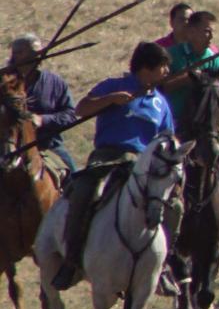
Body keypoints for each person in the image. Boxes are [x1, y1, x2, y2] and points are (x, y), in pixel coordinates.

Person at [50, 42, 176, 289]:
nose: (167, 73)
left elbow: (167, 137)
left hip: (143, 162)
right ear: (146, 69)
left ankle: (165, 264)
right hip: (108, 155)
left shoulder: (161, 102)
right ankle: (72, 260)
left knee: (174, 204)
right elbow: (82, 109)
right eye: (163, 67)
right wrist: (110, 100)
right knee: (85, 192)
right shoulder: (114, 86)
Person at [165, 11, 219, 243]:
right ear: (190, 31)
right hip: (176, 127)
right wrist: (187, 78)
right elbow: (161, 87)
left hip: (206, 128)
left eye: (212, 30)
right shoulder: (173, 56)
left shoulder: (218, 59)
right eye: (206, 30)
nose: (211, 35)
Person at [7, 34, 78, 173]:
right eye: (32, 53)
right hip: (7, 145)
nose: (38, 56)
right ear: (16, 55)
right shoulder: (3, 83)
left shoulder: (55, 82)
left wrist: (43, 120)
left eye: (39, 52)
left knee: (73, 176)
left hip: (46, 145)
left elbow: (70, 115)